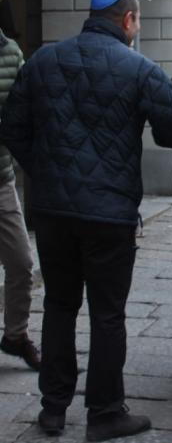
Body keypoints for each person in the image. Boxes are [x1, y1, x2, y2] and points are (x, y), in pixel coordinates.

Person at [0, 0, 172, 441]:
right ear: (129, 20)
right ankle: (105, 413)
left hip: (54, 212)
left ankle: (53, 409)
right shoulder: (137, 67)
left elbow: (12, 127)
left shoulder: (43, 60)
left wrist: (45, 171)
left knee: (58, 306)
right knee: (107, 314)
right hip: (109, 213)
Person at [0, 27, 40, 371]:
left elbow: (26, 107)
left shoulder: (10, 52)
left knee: (21, 262)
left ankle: (15, 335)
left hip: (1, 179)